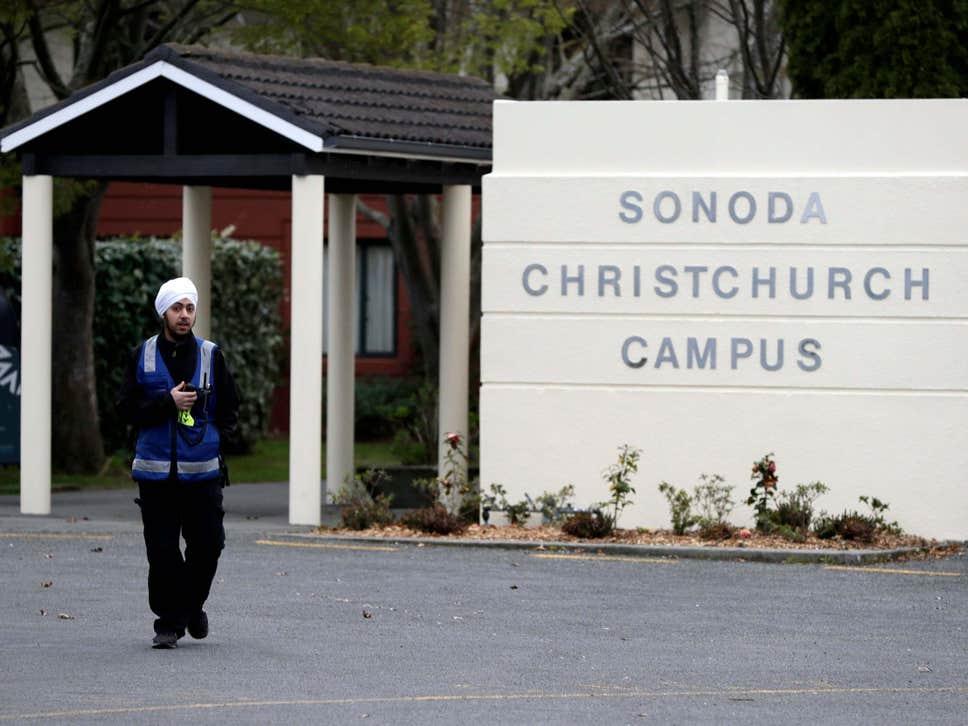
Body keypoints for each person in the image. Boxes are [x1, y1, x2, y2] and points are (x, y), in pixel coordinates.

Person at [116, 277, 239, 649]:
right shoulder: (143, 355)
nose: (185, 315)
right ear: (163, 313)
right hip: (155, 475)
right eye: (177, 308)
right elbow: (125, 410)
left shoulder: (210, 355)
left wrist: (215, 440)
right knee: (162, 551)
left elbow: (230, 410)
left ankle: (190, 606)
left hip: (202, 474)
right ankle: (169, 623)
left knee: (208, 546)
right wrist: (166, 403)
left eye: (189, 308)